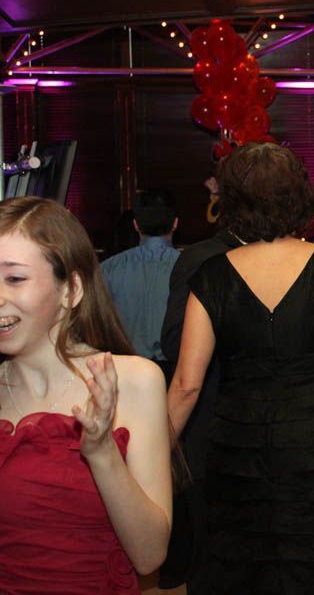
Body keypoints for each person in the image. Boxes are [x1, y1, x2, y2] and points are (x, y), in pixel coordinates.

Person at [167, 143, 314, 594]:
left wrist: (151, 464)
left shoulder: (213, 276)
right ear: (299, 197)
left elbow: (185, 387)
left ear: (233, 201)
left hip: (240, 457)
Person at [0, 197, 172, 592]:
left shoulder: (133, 381)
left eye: (15, 278)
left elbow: (149, 555)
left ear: (71, 289)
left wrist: (101, 452)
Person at [157, 191, 244, 590]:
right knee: (210, 553)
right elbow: (176, 342)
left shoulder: (282, 257)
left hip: (258, 426)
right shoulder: (202, 257)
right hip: (210, 421)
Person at [101, 189, 181, 373]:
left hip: (122, 368)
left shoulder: (108, 269)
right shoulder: (190, 268)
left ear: (135, 225)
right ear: (175, 223)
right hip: (174, 372)